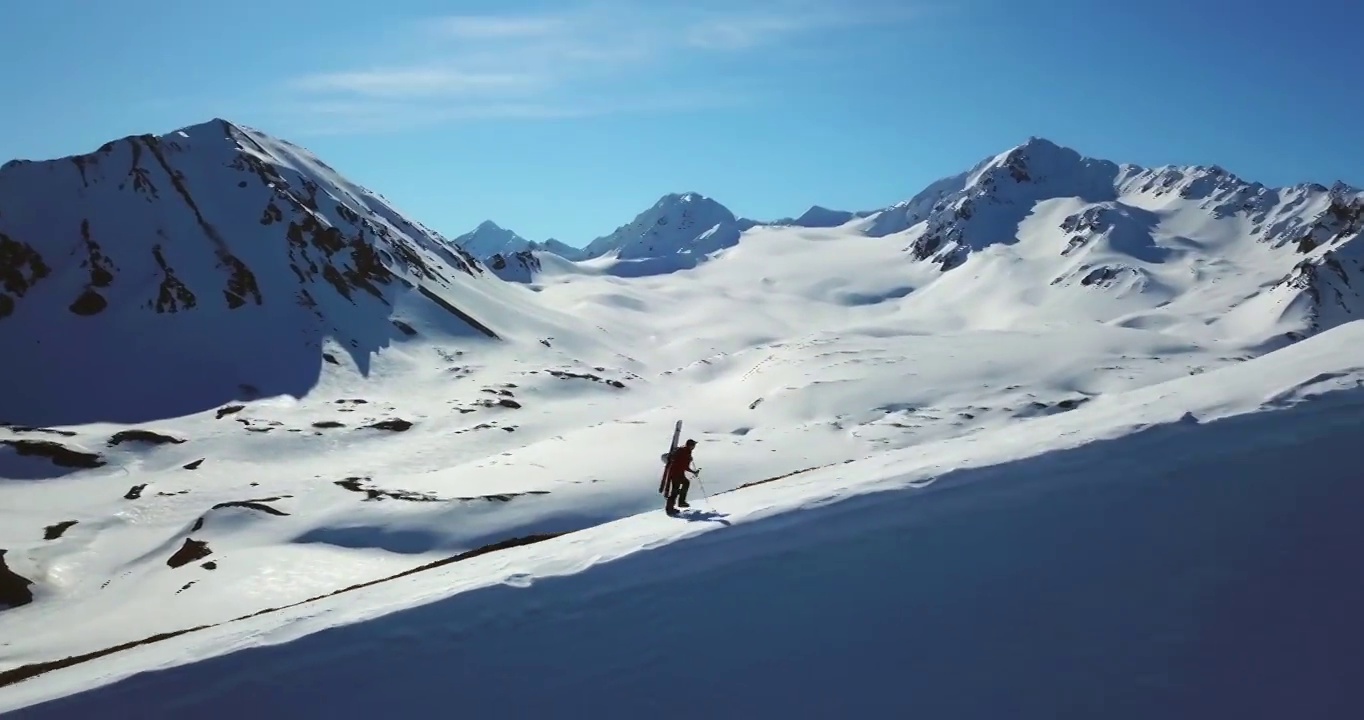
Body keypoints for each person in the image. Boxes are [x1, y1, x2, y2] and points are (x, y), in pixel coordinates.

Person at [664, 439, 699, 514]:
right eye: (693, 445)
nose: (694, 447)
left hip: (675, 473)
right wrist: (693, 471)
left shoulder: (684, 451)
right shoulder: (685, 452)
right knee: (676, 489)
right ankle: (674, 506)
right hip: (677, 473)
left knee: (681, 486)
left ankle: (676, 504)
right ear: (690, 445)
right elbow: (684, 466)